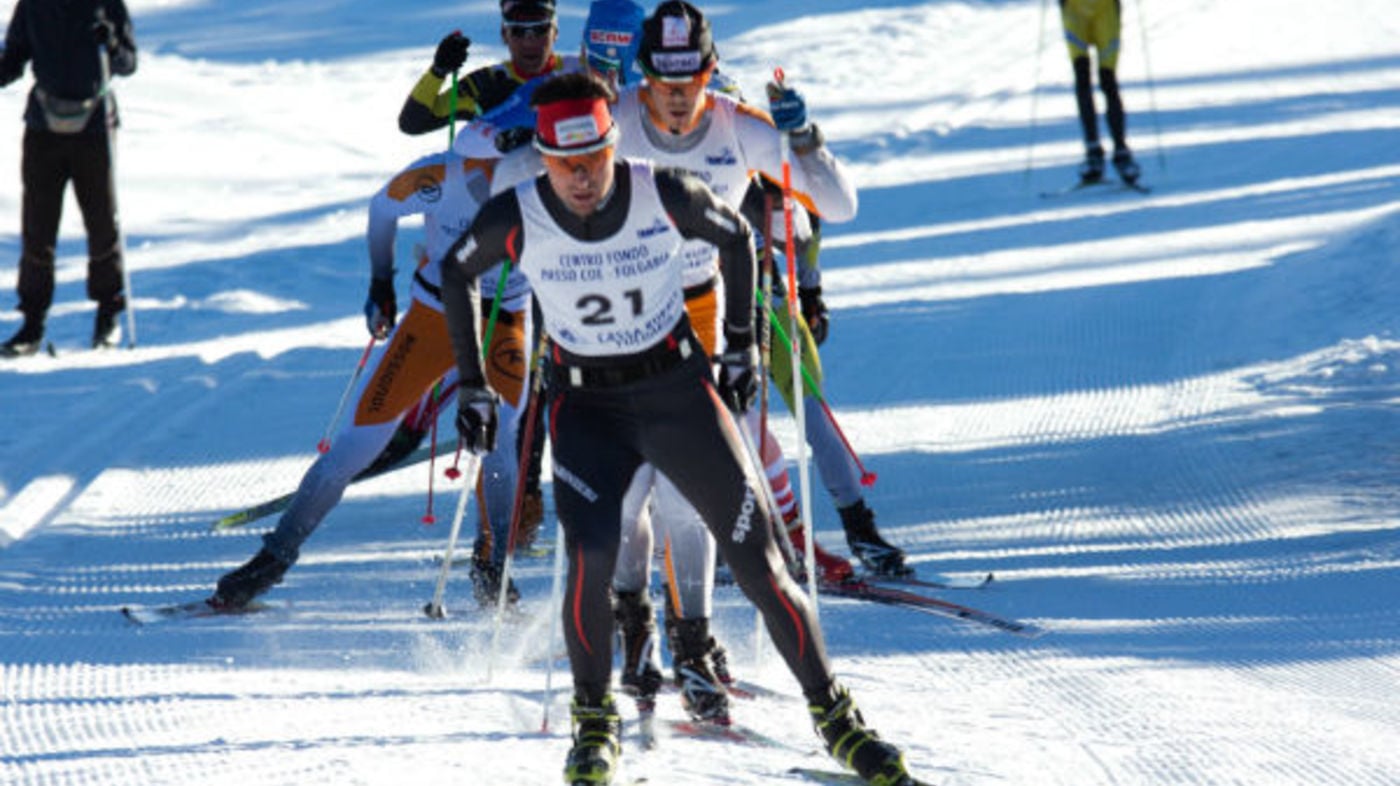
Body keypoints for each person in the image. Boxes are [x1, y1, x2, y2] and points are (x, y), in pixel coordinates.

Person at [441, 71, 918, 786]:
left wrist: (740, 343)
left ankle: (838, 719)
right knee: (592, 556)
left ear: (612, 143)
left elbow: (740, 241)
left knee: (760, 561)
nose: (582, 178)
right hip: (585, 412)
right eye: (567, 165)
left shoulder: (661, 189)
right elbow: (454, 273)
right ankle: (595, 721)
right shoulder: (516, 213)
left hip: (676, 392)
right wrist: (473, 386)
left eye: (595, 158)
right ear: (544, 158)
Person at [208, 148, 533, 611]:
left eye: (506, 156)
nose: (490, 170)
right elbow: (383, 207)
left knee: (503, 443)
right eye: (483, 156)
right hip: (434, 316)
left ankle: (492, 566)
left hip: (505, 317)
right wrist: (381, 281)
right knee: (355, 444)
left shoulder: (550, 175)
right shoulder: (441, 174)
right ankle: (273, 558)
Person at [0, 0, 137, 356]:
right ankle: (32, 323)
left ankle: (108, 313)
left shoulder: (106, 4)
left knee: (102, 222)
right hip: (43, 126)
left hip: (93, 127)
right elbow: (15, 54)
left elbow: (128, 63)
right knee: (37, 228)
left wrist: (112, 44)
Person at [398, 0, 577, 136]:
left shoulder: (582, 74)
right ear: (504, 35)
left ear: (556, 32)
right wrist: (438, 72)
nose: (529, 41)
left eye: (540, 30)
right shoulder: (485, 83)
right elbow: (412, 123)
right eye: (518, 31)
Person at [1059, 0, 1140, 184]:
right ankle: (1093, 152)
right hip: (1074, 9)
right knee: (1082, 76)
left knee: (1108, 79)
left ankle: (1121, 152)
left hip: (1106, 10)